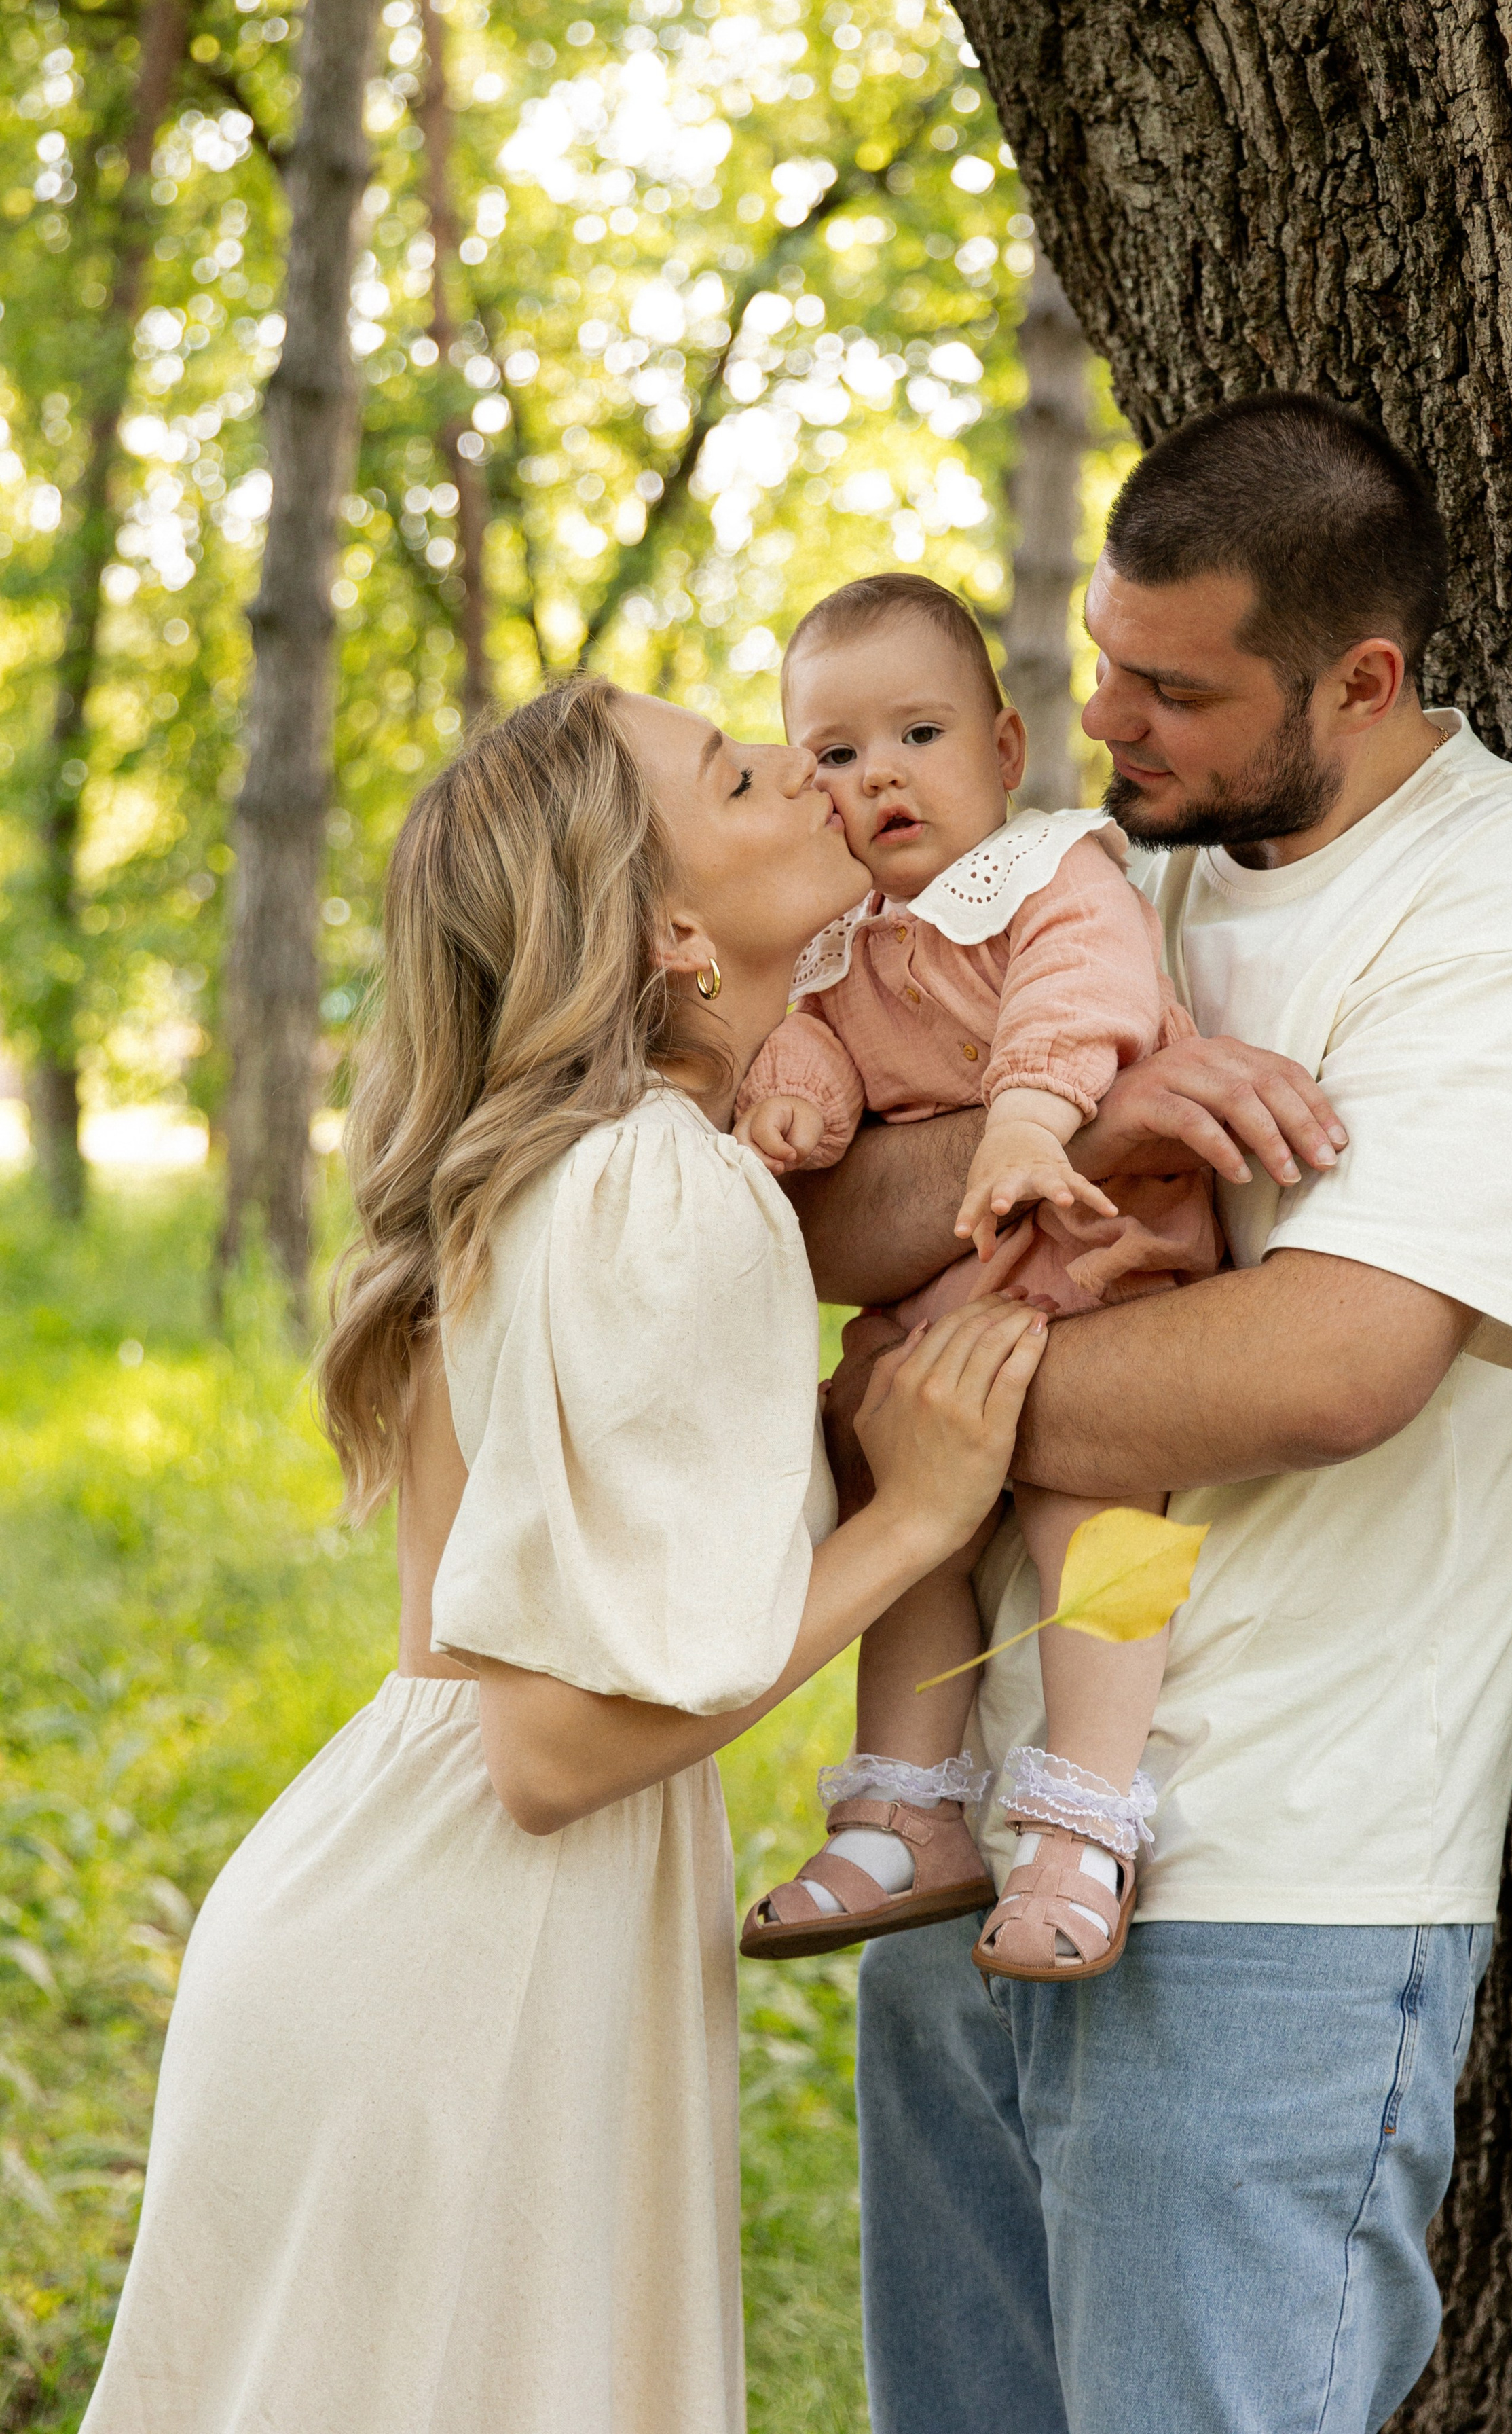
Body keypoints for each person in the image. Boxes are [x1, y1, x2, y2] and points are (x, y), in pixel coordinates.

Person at [791, 396, 1512, 2433]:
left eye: (1174, 689)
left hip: (1272, 1891)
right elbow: (841, 1219)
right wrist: (1081, 1120)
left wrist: (908, 1434)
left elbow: (1325, 1365)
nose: (1109, 720)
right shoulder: (1110, 868)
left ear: (1362, 681)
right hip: (965, 1845)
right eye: (1103, 662)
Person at [79, 676, 1052, 2434]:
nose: (821, 782)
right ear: (677, 927)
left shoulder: (584, 1170)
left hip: (410, 1920)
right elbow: (551, 1751)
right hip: (468, 1956)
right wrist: (920, 1514)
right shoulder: (658, 1189)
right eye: (753, 776)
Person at [736, 573, 1226, 1979]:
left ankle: (1084, 1816)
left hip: (1088, 1248)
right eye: (833, 754)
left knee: (1099, 1511)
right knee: (910, 1514)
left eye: (917, 736)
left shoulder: (1049, 872)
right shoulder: (833, 946)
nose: (875, 775)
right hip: (948, 1299)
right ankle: (904, 1806)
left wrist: (1023, 1116)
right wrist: (792, 1096)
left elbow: (1086, 998)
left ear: (1003, 754)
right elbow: (813, 1045)